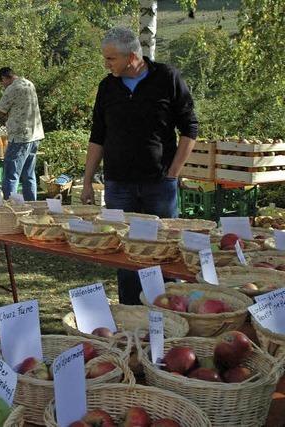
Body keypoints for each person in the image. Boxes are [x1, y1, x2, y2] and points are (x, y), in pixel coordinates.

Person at [80, 26, 198, 305]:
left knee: (165, 249)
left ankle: (171, 312)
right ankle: (131, 311)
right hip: (118, 185)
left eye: (110, 59)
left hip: (159, 184)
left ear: (132, 57)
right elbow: (98, 135)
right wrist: (87, 180)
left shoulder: (167, 78)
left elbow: (190, 129)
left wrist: (173, 174)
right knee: (126, 251)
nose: (106, 64)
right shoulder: (107, 86)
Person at [0, 67, 44, 201]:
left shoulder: (12, 88)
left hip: (20, 136)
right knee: (29, 174)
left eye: (2, 82)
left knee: (11, 174)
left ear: (5, 78)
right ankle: (31, 206)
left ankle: (10, 208)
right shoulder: (29, 83)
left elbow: (0, 110)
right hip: (35, 134)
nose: (3, 85)